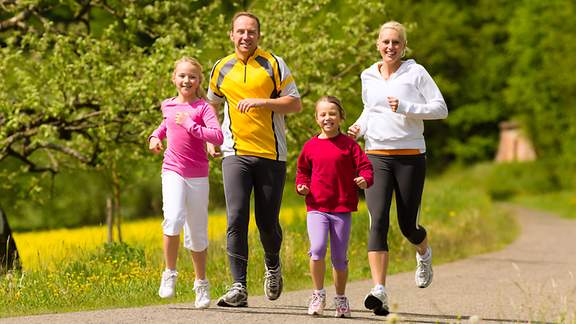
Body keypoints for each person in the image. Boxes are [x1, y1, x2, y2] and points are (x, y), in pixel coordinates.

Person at [347, 21, 448, 316]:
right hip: (376, 154)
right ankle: (379, 289)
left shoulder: (416, 73)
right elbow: (370, 109)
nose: (390, 47)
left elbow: (440, 108)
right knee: (377, 220)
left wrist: (407, 107)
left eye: (396, 43)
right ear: (378, 44)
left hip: (410, 155)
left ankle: (423, 252)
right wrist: (359, 127)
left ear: (404, 47)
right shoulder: (368, 75)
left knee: (407, 225)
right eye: (385, 42)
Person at [206, 12, 302, 307]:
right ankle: (239, 287)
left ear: (258, 35)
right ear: (231, 35)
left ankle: (272, 265)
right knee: (235, 217)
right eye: (240, 32)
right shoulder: (221, 67)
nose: (245, 36)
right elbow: (211, 102)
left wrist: (263, 102)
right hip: (235, 153)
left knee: (267, 222)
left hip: (271, 154)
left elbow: (295, 103)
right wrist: (212, 137)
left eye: (251, 32)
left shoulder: (273, 63)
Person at [148, 57, 223, 308]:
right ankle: (169, 273)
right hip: (172, 170)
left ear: (199, 81)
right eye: (182, 76)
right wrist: (154, 137)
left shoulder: (203, 109)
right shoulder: (167, 105)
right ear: (174, 78)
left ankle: (201, 283)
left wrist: (191, 125)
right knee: (173, 217)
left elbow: (217, 135)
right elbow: (165, 125)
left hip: (198, 174)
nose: (186, 80)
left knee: (197, 233)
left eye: (192, 76)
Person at [296, 96, 373, 318]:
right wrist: (302, 186)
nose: (327, 117)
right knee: (317, 249)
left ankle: (340, 298)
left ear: (340, 118)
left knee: (339, 257)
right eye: (323, 114)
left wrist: (365, 179)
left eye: (332, 113)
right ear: (316, 118)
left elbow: (365, 167)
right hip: (317, 207)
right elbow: (303, 172)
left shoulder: (350, 145)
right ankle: (318, 294)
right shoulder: (310, 146)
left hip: (341, 208)